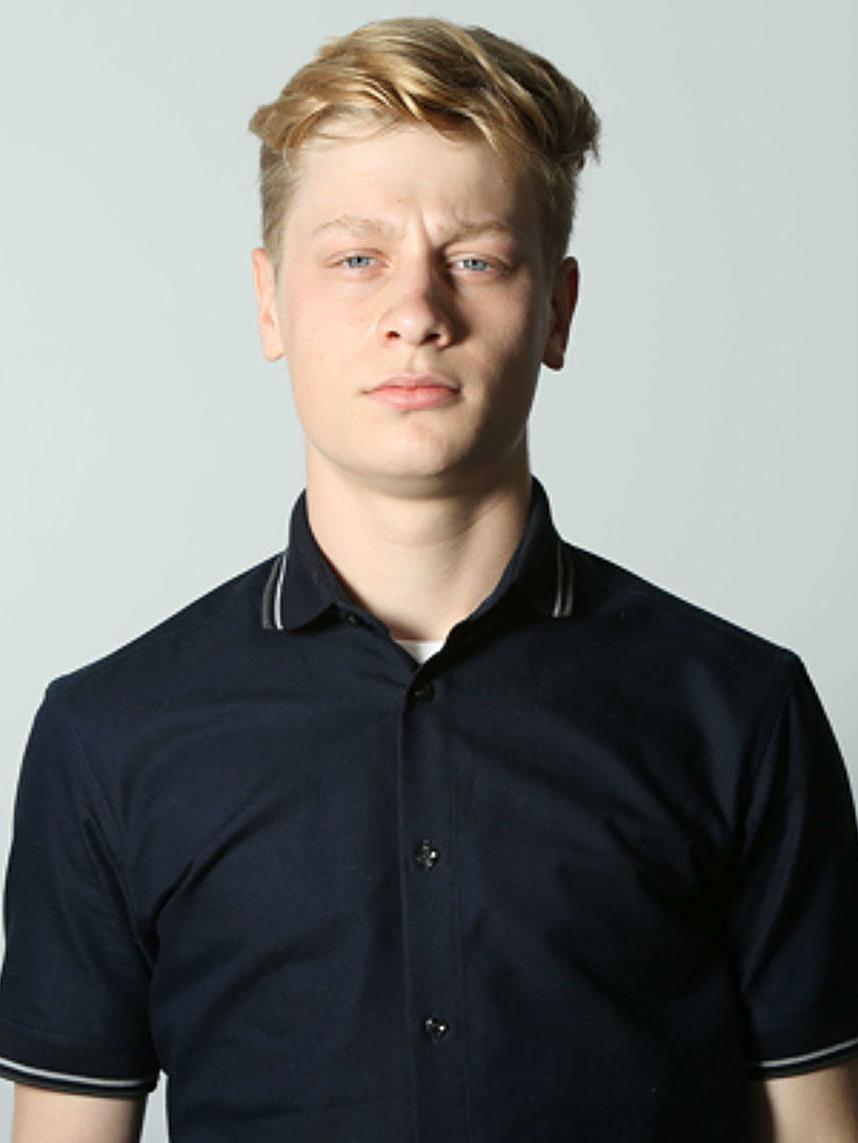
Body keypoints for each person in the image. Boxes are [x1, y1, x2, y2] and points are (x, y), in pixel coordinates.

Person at [1, 15, 856, 1143]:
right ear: (269, 302)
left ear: (557, 309)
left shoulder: (741, 711)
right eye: (356, 259)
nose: (416, 313)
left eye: (476, 260)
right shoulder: (107, 734)